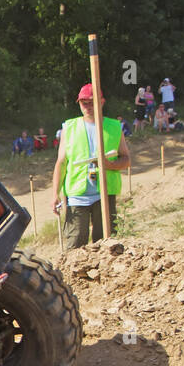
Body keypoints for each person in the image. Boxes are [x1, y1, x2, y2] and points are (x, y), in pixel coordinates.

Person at [48, 83, 131, 249]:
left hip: (105, 194)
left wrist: (110, 165)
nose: (87, 106)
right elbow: (61, 162)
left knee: (107, 245)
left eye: (91, 102)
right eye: (83, 102)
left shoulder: (114, 127)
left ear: (101, 102)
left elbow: (126, 159)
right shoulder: (69, 127)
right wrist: (55, 194)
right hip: (77, 195)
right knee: (75, 244)